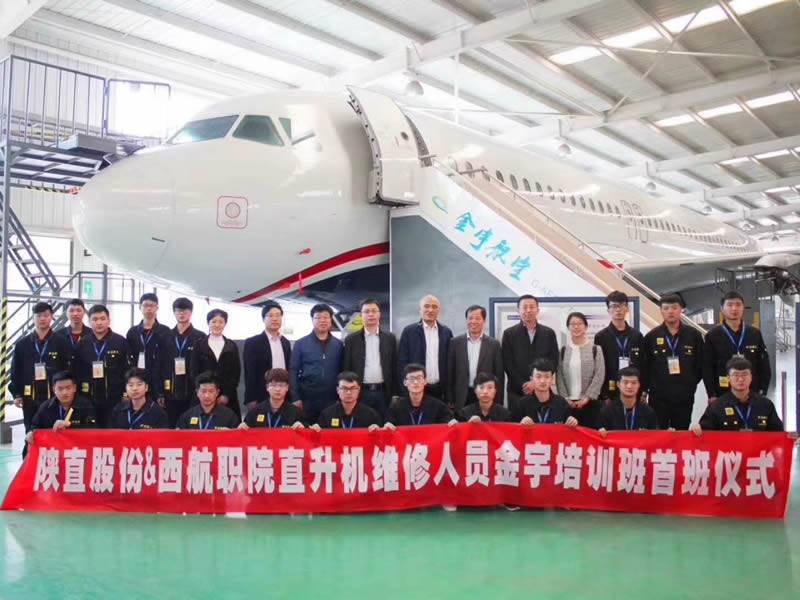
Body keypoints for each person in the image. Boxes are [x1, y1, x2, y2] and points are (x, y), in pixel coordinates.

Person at [641, 293, 704, 430]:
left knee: (682, 432)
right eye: (666, 308)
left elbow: (700, 365)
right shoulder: (651, 337)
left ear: (681, 309)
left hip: (684, 395)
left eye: (674, 308)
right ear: (661, 310)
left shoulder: (693, 335)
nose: (670, 311)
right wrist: (645, 390)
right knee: (658, 433)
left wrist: (690, 382)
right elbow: (645, 366)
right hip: (658, 396)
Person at [10, 301, 70, 433]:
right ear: (33, 318)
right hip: (29, 397)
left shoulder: (61, 342)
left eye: (46, 315)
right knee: (31, 432)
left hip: (54, 397)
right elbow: (15, 371)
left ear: (51, 317)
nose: (42, 319)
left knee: (54, 432)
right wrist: (16, 394)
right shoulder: (22, 344)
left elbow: (67, 370)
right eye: (38, 316)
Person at [703, 291, 771, 403]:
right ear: (722, 308)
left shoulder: (754, 333)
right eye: (730, 305)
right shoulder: (713, 335)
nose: (734, 309)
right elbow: (707, 368)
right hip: (722, 392)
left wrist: (762, 391)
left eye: (738, 305)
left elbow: (764, 364)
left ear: (743, 308)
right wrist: (711, 394)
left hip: (751, 392)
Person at [502, 294, 559, 416]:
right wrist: (523, 384)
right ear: (518, 310)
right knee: (518, 424)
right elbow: (507, 363)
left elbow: (553, 360)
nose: (528, 310)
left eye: (532, 307)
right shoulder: (509, 334)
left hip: (542, 391)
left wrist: (536, 383)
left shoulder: (548, 333)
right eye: (525, 307)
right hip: (517, 391)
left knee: (542, 424)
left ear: (537, 310)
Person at [693, 357, 783, 433]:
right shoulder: (717, 406)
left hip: (758, 449)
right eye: (735, 375)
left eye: (745, 374)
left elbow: (779, 434)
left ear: (751, 377)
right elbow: (705, 433)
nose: (740, 379)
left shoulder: (765, 405)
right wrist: (697, 429)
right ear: (728, 378)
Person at [76, 304, 131, 426]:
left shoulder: (120, 341)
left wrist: (125, 394)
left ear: (109, 320)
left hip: (114, 398)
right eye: (95, 319)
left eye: (102, 318)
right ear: (89, 322)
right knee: (91, 431)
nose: (99, 323)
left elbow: (128, 370)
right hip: (89, 398)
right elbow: (78, 371)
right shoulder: (83, 343)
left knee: (112, 431)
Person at [289, 303, 343, 425]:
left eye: (325, 317)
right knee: (307, 432)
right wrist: (295, 397)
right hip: (308, 399)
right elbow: (293, 371)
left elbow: (342, 371)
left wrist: (340, 397)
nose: (322, 321)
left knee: (330, 432)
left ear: (331, 319)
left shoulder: (338, 345)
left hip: (332, 399)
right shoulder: (301, 344)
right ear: (312, 320)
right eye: (318, 317)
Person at [342, 298, 397, 417]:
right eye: (366, 311)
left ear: (379, 314)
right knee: (362, 424)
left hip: (384, 393)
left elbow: (394, 367)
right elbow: (346, 367)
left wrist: (395, 393)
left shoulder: (390, 338)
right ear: (361, 315)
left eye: (374, 311)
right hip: (360, 393)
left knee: (385, 424)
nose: (371, 314)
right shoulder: (351, 340)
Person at [158, 297, 206, 427]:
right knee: (171, 427)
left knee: (191, 427)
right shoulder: (165, 336)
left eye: (185, 311)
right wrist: (160, 393)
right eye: (178, 310)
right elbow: (159, 366)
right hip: (170, 391)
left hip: (192, 392)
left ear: (191, 313)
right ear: (174, 312)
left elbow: (203, 366)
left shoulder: (200, 337)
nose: (181, 314)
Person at [448, 304, 504, 412]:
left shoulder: (494, 345)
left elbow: (499, 375)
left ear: (484, 321)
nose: (473, 321)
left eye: (477, 318)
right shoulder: (455, 343)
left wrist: (498, 401)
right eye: (470, 318)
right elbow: (450, 373)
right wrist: (449, 398)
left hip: (485, 394)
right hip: (461, 395)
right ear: (466, 320)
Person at [398, 295, 453, 402]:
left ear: (439, 311)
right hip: (417, 388)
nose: (430, 310)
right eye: (426, 306)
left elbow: (450, 363)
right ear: (420, 310)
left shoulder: (446, 332)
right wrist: (404, 391)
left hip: (440, 389)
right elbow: (402, 363)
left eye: (434, 307)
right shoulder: (409, 331)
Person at [189, 309, 242, 418]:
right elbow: (194, 371)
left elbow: (235, 373)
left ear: (225, 324)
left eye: (221, 322)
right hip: (204, 395)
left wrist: (226, 395)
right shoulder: (199, 344)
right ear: (208, 323)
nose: (217, 325)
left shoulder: (231, 346)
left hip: (227, 397)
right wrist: (204, 393)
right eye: (213, 321)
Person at [556, 312, 605, 427]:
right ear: (568, 328)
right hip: (568, 404)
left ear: (586, 327)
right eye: (572, 324)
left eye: (580, 323)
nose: (576, 327)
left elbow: (599, 374)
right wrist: (566, 398)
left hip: (590, 403)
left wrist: (587, 398)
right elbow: (559, 376)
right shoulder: (563, 350)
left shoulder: (595, 349)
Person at [593, 291, 645, 401]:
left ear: (627, 308)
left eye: (621, 305)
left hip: (633, 389)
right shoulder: (601, 337)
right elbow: (599, 368)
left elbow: (643, 365)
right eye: (614, 306)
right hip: (610, 391)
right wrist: (604, 395)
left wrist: (643, 391)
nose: (618, 309)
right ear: (608, 310)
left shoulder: (637, 336)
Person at [243, 300, 292, 413]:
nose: (275, 319)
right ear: (263, 319)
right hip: (262, 395)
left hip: (284, 394)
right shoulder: (253, 342)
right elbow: (249, 373)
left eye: (278, 315)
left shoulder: (285, 342)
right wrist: (250, 398)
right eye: (270, 315)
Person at [26, 371, 97, 447]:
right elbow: (35, 426)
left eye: (68, 388)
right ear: (54, 389)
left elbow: (93, 425)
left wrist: (71, 424)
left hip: (78, 448)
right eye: (60, 389)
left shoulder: (85, 405)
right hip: (54, 448)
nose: (64, 392)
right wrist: (31, 432)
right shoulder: (45, 407)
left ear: (74, 388)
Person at [511, 359, 577, 427]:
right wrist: (520, 424)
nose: (542, 381)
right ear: (531, 379)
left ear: (552, 379)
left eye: (547, 377)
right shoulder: (521, 405)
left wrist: (572, 422)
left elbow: (570, 427)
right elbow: (511, 429)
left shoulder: (561, 403)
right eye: (538, 377)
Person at [384, 364, 454, 428]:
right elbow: (389, 424)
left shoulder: (438, 406)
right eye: (411, 378)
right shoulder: (396, 407)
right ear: (405, 382)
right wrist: (388, 425)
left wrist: (452, 423)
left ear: (425, 381)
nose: (415, 382)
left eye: (419, 378)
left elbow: (449, 422)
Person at [126, 293, 171, 390]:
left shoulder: (165, 331)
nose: (149, 308)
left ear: (157, 308)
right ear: (140, 307)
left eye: (152, 305)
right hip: (137, 380)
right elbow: (128, 357)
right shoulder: (132, 332)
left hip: (158, 379)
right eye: (146, 305)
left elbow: (167, 359)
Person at [598, 367, 659, 436]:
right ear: (618, 384)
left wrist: (667, 435)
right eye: (625, 382)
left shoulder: (648, 412)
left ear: (639, 385)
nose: (629, 386)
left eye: (634, 383)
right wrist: (599, 433)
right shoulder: (606, 411)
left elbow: (656, 437)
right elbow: (597, 437)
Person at [312, 371, 382, 430]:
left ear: (359, 390)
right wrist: (315, 431)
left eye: (353, 388)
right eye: (344, 388)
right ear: (337, 390)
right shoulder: (327, 415)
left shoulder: (371, 415)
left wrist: (377, 431)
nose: (348, 392)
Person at [56, 298, 88, 368]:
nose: (75, 314)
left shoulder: (92, 334)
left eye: (79, 310)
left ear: (84, 312)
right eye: (71, 311)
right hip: (64, 373)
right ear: (66, 313)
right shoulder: (58, 336)